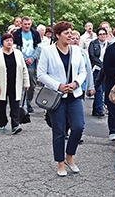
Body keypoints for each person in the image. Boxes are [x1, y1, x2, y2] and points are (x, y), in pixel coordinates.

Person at [37, 21, 87, 177]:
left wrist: (76, 83)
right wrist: (58, 85)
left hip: (74, 95)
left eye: (71, 32)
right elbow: (41, 74)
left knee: (78, 127)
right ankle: (60, 163)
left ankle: (69, 156)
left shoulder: (77, 50)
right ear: (58, 35)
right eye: (66, 33)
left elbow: (83, 71)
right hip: (57, 97)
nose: (70, 35)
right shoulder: (48, 51)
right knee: (59, 131)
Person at [0, 33, 29, 134]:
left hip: (15, 84)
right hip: (1, 84)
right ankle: (2, 124)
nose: (9, 42)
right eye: (7, 40)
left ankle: (15, 125)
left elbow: (24, 68)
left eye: (11, 40)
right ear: (2, 42)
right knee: (1, 106)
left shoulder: (18, 53)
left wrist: (26, 82)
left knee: (15, 105)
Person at [13, 16, 42, 113]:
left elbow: (39, 48)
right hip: (20, 62)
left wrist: (33, 58)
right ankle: (21, 104)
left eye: (29, 24)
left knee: (32, 85)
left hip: (32, 64)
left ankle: (28, 102)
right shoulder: (16, 34)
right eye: (25, 24)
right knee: (20, 84)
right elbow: (15, 48)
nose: (27, 26)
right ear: (21, 24)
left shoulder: (35, 33)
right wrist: (24, 58)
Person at [88, 27, 108, 117]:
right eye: (100, 34)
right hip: (96, 69)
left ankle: (95, 109)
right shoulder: (93, 44)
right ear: (97, 35)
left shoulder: (110, 45)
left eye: (104, 34)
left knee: (102, 89)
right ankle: (100, 109)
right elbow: (92, 56)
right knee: (98, 89)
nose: (102, 36)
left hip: (106, 70)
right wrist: (101, 64)